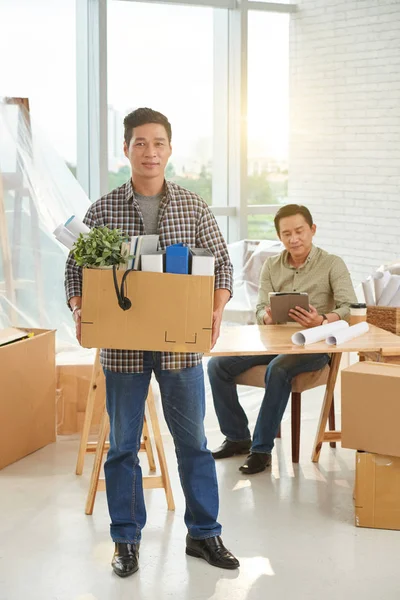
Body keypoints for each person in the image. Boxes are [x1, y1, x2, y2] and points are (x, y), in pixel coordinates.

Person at [65, 108, 239, 577]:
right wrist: (81, 307)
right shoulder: (102, 210)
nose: (149, 151)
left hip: (180, 346)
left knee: (194, 444)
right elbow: (74, 270)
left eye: (158, 143)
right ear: (126, 149)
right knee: (123, 446)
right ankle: (126, 539)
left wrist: (217, 308)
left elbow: (222, 266)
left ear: (169, 149)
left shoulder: (192, 206)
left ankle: (204, 535)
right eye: (140, 143)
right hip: (122, 348)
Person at [208, 204, 357, 475]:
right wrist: (266, 317)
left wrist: (322, 320)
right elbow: (259, 309)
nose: (294, 238)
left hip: (315, 344)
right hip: (274, 342)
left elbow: (350, 306)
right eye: (286, 234)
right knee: (217, 366)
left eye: (299, 231)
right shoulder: (271, 265)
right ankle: (238, 437)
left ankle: (262, 450)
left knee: (279, 368)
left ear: (312, 230)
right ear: (280, 237)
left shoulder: (332, 264)